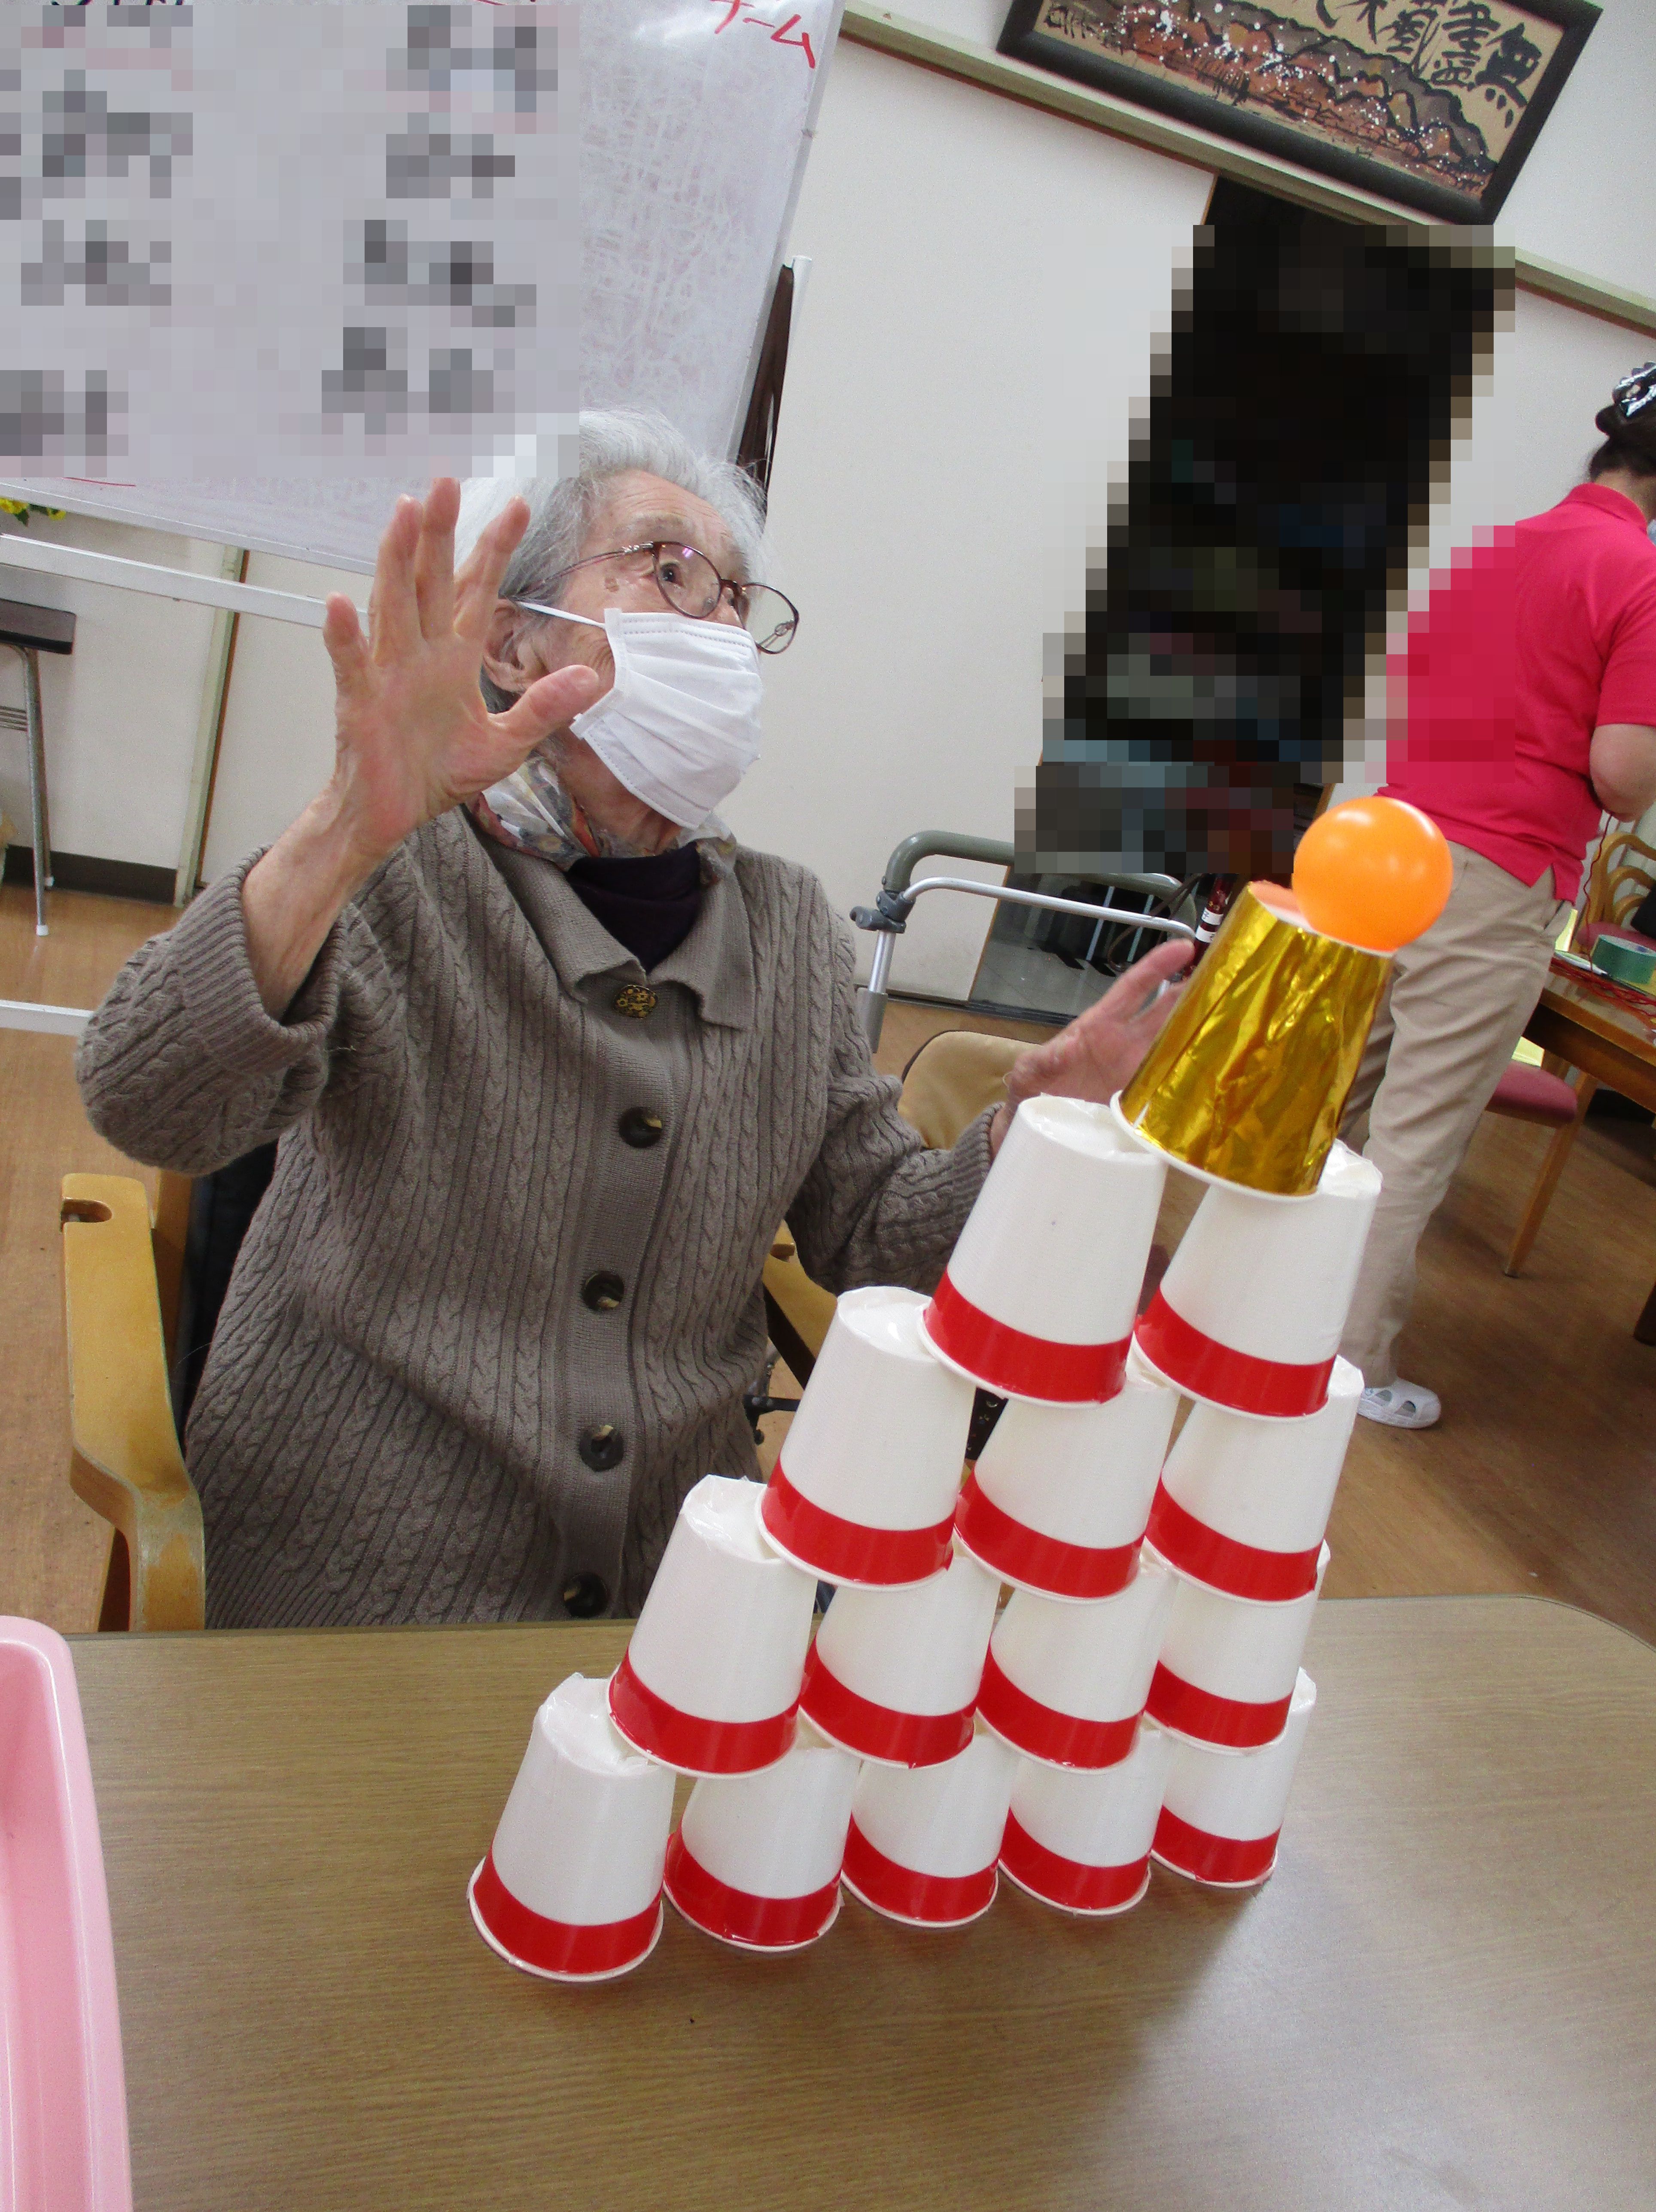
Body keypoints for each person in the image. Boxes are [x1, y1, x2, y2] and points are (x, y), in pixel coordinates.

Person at [76, 410, 1191, 1626]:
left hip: (679, 1597)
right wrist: (344, 829)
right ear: (513, 640)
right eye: (671, 570)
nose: (720, 625)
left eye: (737, 601)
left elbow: (874, 1233)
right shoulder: (394, 870)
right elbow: (145, 1100)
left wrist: (1024, 1140)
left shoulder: (788, 926)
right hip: (359, 1584)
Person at [1339, 365, 1656, 1428]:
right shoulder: (1638, 575)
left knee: (1331, 1104)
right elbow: (1621, 775)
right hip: (1493, 871)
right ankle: (1348, 1368)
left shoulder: (1499, 544)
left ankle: (1244, 1312)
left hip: (1386, 845)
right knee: (1412, 1137)